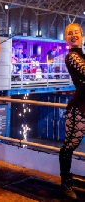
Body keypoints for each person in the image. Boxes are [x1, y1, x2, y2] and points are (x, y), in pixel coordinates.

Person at [59, 23, 85, 199]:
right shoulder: (72, 57)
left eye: (76, 32)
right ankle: (65, 183)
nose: (73, 35)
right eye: (70, 33)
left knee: (69, 146)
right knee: (69, 147)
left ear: (82, 35)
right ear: (66, 39)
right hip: (79, 109)